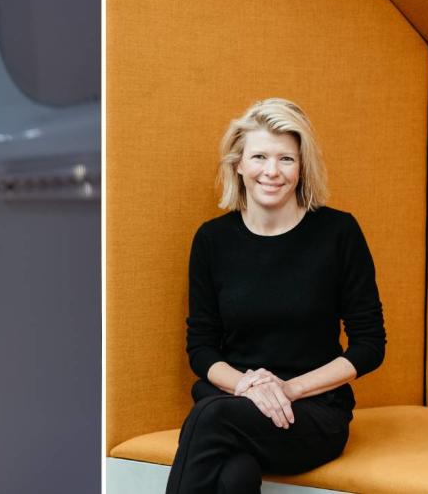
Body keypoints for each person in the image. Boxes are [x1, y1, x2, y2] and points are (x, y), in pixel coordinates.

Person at [165, 98, 387, 493]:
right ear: (238, 164)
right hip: (234, 400)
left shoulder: (338, 233)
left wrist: (287, 389)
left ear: (301, 168)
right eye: (259, 157)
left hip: (312, 413)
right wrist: (247, 387)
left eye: (286, 159)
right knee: (235, 477)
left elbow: (369, 345)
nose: (271, 171)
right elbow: (201, 348)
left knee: (209, 417)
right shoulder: (212, 240)